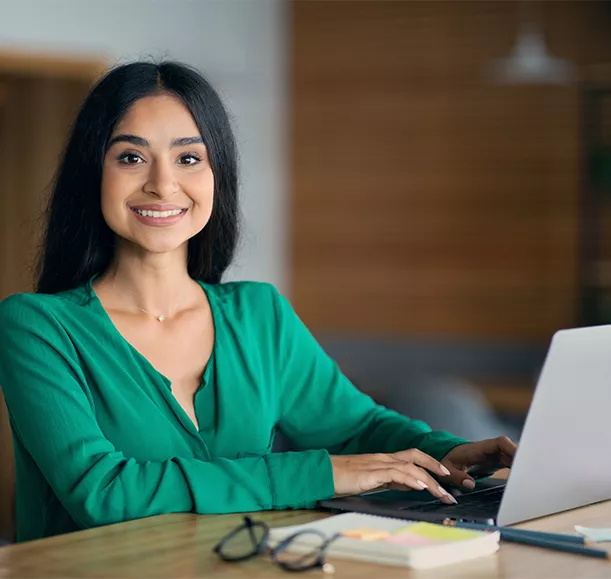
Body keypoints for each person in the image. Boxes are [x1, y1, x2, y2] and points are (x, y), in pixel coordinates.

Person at [0, 61, 516, 543]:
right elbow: (103, 492)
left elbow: (356, 426)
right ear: (94, 173)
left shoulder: (258, 314)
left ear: (216, 176)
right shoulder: (37, 327)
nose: (162, 184)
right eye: (131, 157)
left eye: (188, 158)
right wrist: (321, 473)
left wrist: (445, 450)